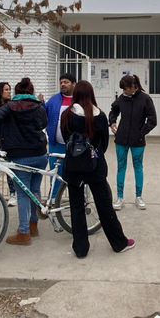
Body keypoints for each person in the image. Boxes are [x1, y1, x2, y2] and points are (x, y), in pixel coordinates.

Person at [59, 80, 136, 257]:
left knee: (76, 207)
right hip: (95, 167)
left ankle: (80, 248)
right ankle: (119, 243)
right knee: (104, 206)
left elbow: (65, 138)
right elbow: (104, 143)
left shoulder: (67, 115)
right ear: (91, 94)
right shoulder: (99, 115)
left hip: (73, 167)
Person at [0, 77, 48, 246]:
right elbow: (43, 123)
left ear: (16, 93)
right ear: (31, 92)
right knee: (34, 190)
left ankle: (23, 233)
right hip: (40, 154)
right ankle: (33, 226)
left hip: (20, 155)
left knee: (23, 194)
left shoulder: (9, 107)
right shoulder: (38, 107)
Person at [109, 74, 157, 211]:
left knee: (138, 167)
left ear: (132, 86)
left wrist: (141, 132)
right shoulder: (121, 99)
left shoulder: (145, 99)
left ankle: (139, 197)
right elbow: (114, 110)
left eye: (126, 89)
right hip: (121, 139)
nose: (124, 92)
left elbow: (152, 120)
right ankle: (119, 197)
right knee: (121, 167)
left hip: (138, 141)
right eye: (122, 90)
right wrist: (112, 122)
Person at [43, 73, 76, 198]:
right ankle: (54, 198)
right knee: (55, 173)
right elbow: (44, 114)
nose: (63, 84)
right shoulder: (54, 99)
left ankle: (76, 199)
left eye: (66, 82)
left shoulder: (79, 99)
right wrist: (41, 104)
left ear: (74, 84)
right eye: (61, 82)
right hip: (56, 143)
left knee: (75, 174)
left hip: (74, 145)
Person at [0, 81, 17, 205]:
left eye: (9, 89)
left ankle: (13, 194)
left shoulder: (11, 107)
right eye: (6, 89)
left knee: (10, 169)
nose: (9, 92)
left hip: (8, 141)